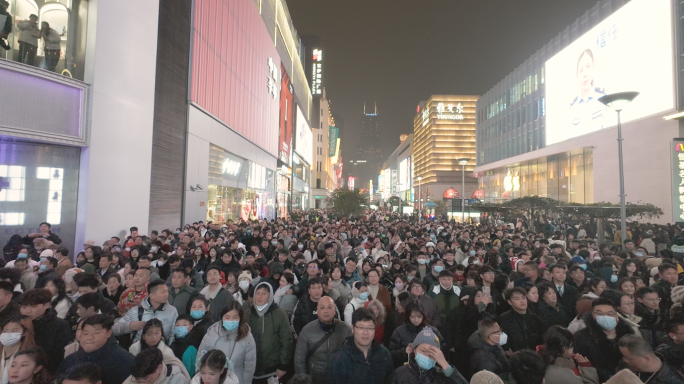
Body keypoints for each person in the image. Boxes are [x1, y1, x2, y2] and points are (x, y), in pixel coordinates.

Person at [57, 315, 135, 384]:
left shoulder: (125, 360)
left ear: (109, 333)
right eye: (85, 333)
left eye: (96, 333)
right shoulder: (70, 360)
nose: (90, 337)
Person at [573, 297, 637, 383]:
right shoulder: (582, 337)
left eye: (610, 313)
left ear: (616, 315)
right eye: (600, 314)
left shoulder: (628, 334)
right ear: (593, 315)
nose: (605, 317)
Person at [243, 282, 293, 384]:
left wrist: (283, 366)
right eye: (257, 293)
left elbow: (286, 341)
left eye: (264, 293)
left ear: (270, 296)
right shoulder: (247, 314)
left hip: (273, 369)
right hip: (251, 368)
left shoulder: (279, 314)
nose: (260, 297)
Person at [294, 297, 352, 384]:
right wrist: (303, 380)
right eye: (322, 308)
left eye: (329, 307)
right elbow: (299, 360)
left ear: (335, 310)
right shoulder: (307, 330)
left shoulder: (345, 329)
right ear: (317, 310)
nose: (326, 311)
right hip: (315, 378)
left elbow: (353, 356)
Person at [196, 302, 256, 384]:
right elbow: (200, 357)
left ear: (240, 318)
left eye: (235, 318)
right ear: (222, 317)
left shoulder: (247, 336)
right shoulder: (211, 334)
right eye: (227, 317)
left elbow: (249, 366)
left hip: (236, 380)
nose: (231, 321)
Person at [330, 308, 394, 384]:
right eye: (361, 328)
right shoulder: (340, 359)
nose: (365, 333)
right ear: (353, 329)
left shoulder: (384, 355)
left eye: (370, 328)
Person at [19, 289, 70, 374]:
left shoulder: (60, 325)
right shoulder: (16, 323)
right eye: (24, 307)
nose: (28, 311)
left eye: (33, 306)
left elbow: (58, 356)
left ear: (46, 305)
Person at [392, 326, 468, 384]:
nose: (427, 355)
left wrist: (446, 366)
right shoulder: (399, 374)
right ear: (414, 350)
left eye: (432, 352)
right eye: (423, 350)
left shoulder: (440, 377)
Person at [113, 280, 178, 345]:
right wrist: (130, 326)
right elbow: (114, 329)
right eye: (163, 292)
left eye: (166, 291)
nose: (166, 294)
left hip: (162, 351)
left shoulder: (172, 311)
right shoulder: (135, 311)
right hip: (138, 351)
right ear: (152, 296)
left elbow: (173, 335)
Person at [619, 334, 684, 384]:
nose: (624, 360)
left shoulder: (671, 381)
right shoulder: (629, 367)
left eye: (628, 358)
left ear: (646, 359)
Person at [497, 287, 544, 352]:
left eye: (523, 298)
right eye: (517, 299)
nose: (522, 301)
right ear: (510, 302)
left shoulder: (535, 318)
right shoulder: (504, 319)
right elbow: (502, 341)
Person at [467, 317, 513, 384]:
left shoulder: (494, 344)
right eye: (499, 331)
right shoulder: (484, 360)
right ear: (491, 336)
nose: (501, 333)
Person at [123, 348, 190, 384]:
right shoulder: (137, 374)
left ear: (159, 368)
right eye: (138, 381)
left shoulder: (177, 379)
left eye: (146, 379)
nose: (142, 383)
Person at [0, 316, 35, 384]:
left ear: (25, 333)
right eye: (5, 331)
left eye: (14, 330)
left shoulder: (29, 354)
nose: (8, 334)